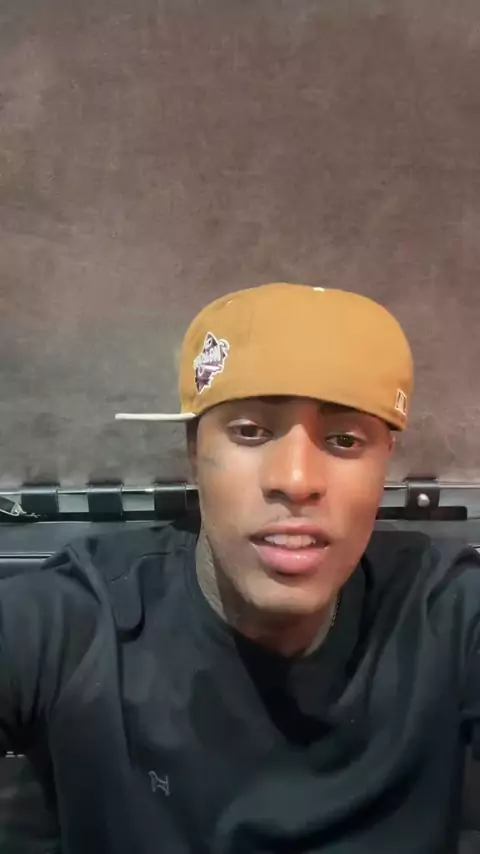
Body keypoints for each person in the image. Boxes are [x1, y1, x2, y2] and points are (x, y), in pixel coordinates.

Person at [1, 282, 479, 854]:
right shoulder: (77, 625)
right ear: (194, 451)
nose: (295, 480)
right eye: (251, 431)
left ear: (385, 464)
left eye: (344, 439)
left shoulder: (446, 612)